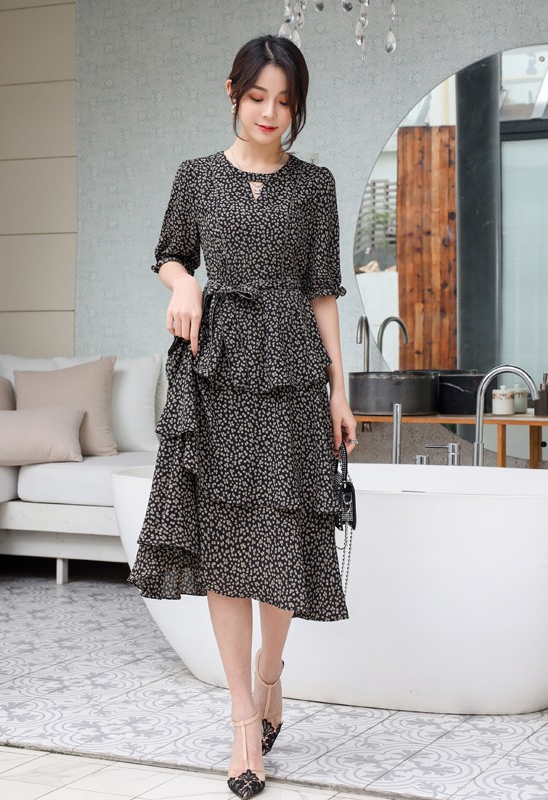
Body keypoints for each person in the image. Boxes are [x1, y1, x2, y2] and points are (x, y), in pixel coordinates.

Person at [128, 34, 357, 799]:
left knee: (281, 540)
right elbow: (169, 253)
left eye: (285, 101)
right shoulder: (196, 177)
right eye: (258, 96)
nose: (270, 112)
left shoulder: (315, 185)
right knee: (227, 545)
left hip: (292, 370)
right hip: (218, 369)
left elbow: (322, 291)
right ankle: (241, 724)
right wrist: (183, 284)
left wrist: (340, 390)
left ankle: (270, 675)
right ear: (232, 91)